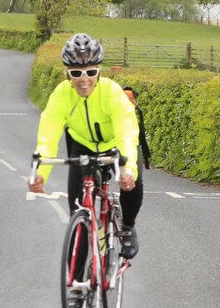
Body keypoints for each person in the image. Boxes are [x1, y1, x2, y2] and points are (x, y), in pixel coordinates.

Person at [28, 33, 142, 272]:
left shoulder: (112, 93)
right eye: (76, 73)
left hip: (115, 145)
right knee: (78, 218)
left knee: (132, 182)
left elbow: (127, 134)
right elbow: (47, 138)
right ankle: (77, 288)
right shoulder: (61, 95)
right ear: (67, 74)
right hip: (82, 146)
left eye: (90, 72)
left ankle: (128, 227)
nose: (84, 80)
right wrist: (40, 175)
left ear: (99, 72)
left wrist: (128, 169)